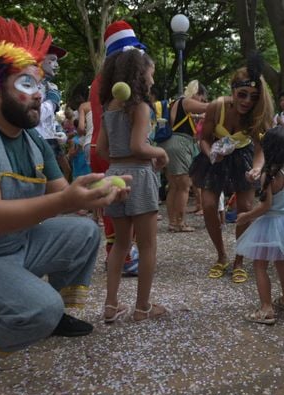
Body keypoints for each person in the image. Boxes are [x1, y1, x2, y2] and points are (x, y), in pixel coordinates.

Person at [0, 16, 128, 385]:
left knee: (84, 232)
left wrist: (99, 193)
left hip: (16, 243)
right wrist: (66, 199)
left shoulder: (32, 140)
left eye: (41, 83)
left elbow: (62, 196)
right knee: (39, 308)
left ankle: (46, 313)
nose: (40, 93)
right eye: (27, 83)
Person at [96, 49, 169, 322]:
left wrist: (119, 163)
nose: (152, 79)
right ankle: (142, 308)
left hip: (115, 176)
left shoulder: (108, 108)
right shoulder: (140, 107)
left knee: (120, 244)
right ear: (141, 74)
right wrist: (160, 153)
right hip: (139, 176)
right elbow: (138, 146)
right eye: (150, 73)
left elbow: (102, 149)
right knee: (148, 245)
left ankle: (111, 305)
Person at [189, 57, 274, 284]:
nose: (247, 101)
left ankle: (239, 259)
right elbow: (204, 139)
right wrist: (212, 154)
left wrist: (257, 169)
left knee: (245, 208)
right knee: (208, 204)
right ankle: (221, 255)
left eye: (253, 97)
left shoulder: (257, 113)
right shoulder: (217, 106)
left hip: (243, 158)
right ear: (233, 90)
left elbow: (259, 148)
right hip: (215, 158)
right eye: (242, 94)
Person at [235, 126, 284, 324]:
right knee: (281, 263)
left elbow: (265, 207)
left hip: (269, 224)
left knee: (260, 265)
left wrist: (246, 216)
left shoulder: (270, 175)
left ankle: (266, 308)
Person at [91, 20, 146, 275]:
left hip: (103, 149)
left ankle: (118, 255)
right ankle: (123, 257)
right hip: (118, 152)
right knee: (124, 208)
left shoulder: (101, 82)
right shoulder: (119, 84)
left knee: (114, 210)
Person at [160, 79, 208, 232]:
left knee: (174, 186)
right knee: (184, 186)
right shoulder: (186, 102)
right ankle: (180, 223)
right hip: (180, 144)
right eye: (202, 97)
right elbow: (206, 108)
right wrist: (223, 102)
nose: (202, 101)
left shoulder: (175, 102)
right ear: (197, 93)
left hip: (168, 143)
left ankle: (173, 222)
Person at [35, 42, 72, 181]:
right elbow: (34, 117)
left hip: (50, 140)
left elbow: (49, 118)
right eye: (52, 59)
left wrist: (58, 129)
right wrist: (52, 102)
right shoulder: (29, 84)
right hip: (35, 141)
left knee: (64, 172)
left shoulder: (50, 86)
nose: (56, 65)